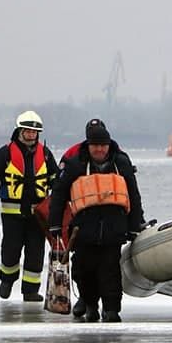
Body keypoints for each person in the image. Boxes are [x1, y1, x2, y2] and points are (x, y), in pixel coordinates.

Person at [48, 120, 145, 323]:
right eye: (95, 145)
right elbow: (58, 194)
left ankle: (111, 310)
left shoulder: (121, 164)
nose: (99, 149)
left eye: (103, 145)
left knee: (110, 273)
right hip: (83, 231)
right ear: (88, 145)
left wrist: (135, 225)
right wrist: (55, 224)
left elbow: (133, 196)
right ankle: (90, 305)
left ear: (109, 145)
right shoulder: (76, 165)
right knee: (84, 272)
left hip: (113, 230)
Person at [0, 110, 60, 302]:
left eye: (34, 132)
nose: (31, 135)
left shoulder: (46, 154)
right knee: (11, 249)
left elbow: (55, 179)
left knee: (36, 252)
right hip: (12, 213)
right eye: (28, 131)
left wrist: (59, 199)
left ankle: (30, 291)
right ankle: (7, 280)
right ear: (20, 131)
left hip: (38, 214)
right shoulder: (5, 153)